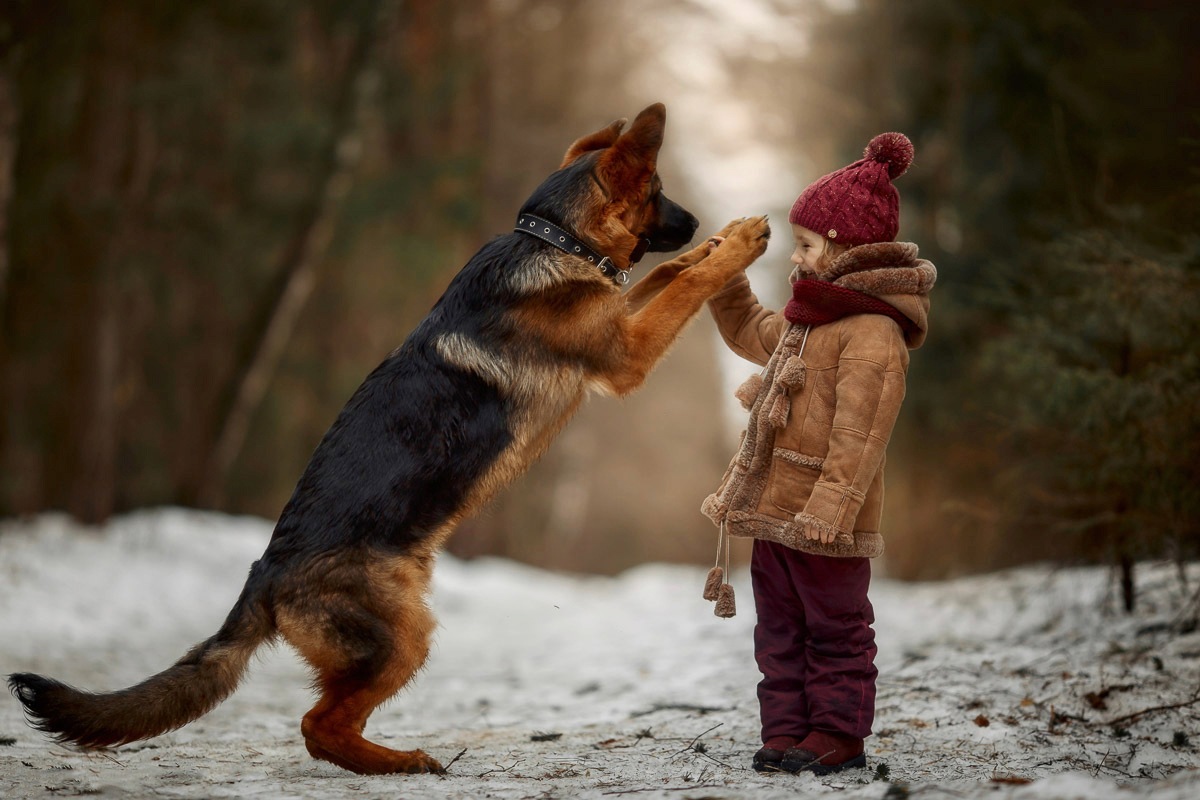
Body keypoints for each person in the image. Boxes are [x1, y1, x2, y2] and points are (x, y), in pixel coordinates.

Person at [700, 133, 936, 775]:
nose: (797, 259)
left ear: (845, 245)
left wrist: (829, 512)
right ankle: (785, 731)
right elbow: (755, 331)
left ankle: (837, 733)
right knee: (778, 632)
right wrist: (724, 281)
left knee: (836, 629)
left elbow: (861, 437)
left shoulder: (872, 332)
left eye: (806, 245)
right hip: (777, 509)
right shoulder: (812, 320)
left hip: (825, 520)